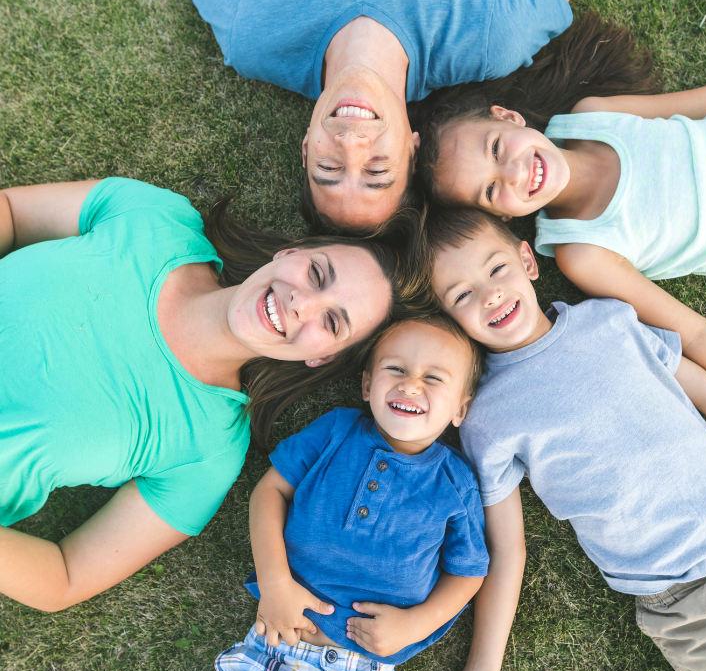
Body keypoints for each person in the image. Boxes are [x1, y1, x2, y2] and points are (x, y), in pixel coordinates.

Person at [425, 208, 706, 671]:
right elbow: (508, 548)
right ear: (449, 318)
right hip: (692, 607)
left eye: (496, 269)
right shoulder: (485, 419)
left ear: (528, 261)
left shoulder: (611, 319)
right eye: (461, 295)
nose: (488, 294)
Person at [0, 176, 418, 613]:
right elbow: (10, 210)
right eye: (316, 274)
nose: (302, 303)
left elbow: (67, 576)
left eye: (332, 323)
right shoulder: (159, 218)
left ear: (324, 358)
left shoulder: (208, 453)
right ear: (289, 253)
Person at [415, 13, 706, 433]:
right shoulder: (583, 251)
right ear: (500, 217)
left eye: (495, 148)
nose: (514, 173)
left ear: (508, 117)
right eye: (491, 190)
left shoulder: (593, 116)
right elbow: (698, 335)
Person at [184, 0, 595, 233]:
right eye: (377, 168)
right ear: (413, 148)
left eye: (329, 166)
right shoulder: (490, 35)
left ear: (307, 148)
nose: (352, 141)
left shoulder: (253, 35)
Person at [205, 315, 489, 671]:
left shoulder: (454, 482)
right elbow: (269, 493)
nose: (411, 385)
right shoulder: (335, 431)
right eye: (396, 369)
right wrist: (275, 583)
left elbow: (468, 572)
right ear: (367, 385)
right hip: (275, 654)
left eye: (433, 378)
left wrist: (416, 624)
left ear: (460, 410)